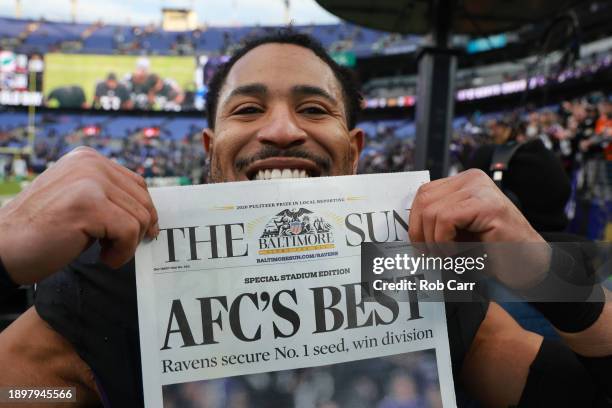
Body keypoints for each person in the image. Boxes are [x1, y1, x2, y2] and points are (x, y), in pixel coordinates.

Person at [0, 31, 610, 407]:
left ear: (355, 149)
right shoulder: (112, 278)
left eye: (314, 108)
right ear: (210, 147)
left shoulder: (410, 271)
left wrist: (550, 275)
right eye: (249, 108)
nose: (283, 129)